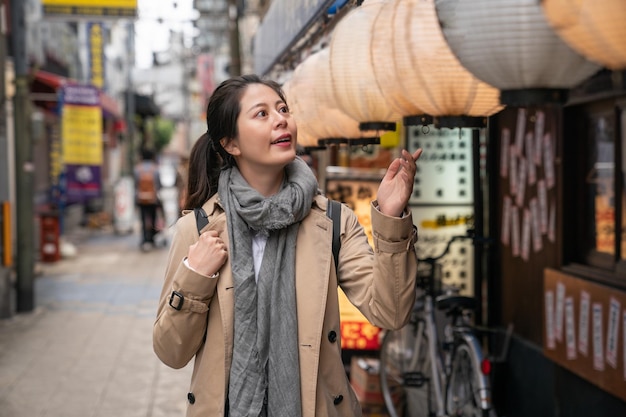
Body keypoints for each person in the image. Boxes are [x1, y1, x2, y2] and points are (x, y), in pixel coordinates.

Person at [153, 74, 423, 417]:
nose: (281, 118)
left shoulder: (334, 222)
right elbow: (170, 352)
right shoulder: (199, 230)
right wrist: (195, 275)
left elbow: (391, 312)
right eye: (262, 113)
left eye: (283, 109)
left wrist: (391, 215)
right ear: (231, 144)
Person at [134, 148, 162, 249]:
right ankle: (152, 238)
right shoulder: (155, 169)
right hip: (153, 198)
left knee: (143, 218)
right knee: (153, 217)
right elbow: (159, 185)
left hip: (141, 198)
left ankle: (144, 239)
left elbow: (136, 184)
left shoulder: (137, 169)